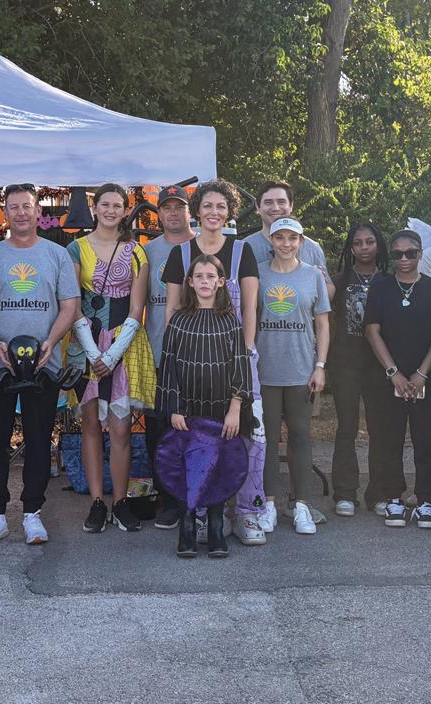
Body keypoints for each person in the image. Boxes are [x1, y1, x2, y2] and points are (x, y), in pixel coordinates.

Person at [0, 183, 80, 547]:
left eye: (26, 206)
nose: (20, 213)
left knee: (38, 439)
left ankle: (33, 512)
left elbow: (69, 306)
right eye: (13, 207)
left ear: (38, 212)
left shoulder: (57, 255)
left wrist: (52, 341)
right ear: (4, 213)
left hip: (43, 364)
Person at [159, 179, 265, 544]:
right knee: (198, 438)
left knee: (249, 435)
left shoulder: (241, 251)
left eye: (221, 206)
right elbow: (172, 309)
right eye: (207, 205)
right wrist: (174, 358)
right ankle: (203, 514)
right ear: (197, 211)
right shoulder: (180, 254)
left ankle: (248, 512)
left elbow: (250, 307)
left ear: (230, 212)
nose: (214, 212)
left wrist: (245, 356)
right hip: (192, 364)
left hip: (236, 360)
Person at [67, 183, 155, 533]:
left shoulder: (137, 252)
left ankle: (120, 502)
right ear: (95, 208)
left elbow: (137, 308)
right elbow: (72, 303)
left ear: (125, 210)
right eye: (105, 204)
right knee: (90, 426)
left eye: (117, 205)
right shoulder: (76, 249)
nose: (110, 210)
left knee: (121, 429)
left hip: (124, 344)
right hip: (85, 343)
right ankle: (96, 503)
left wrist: (113, 353)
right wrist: (93, 354)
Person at [157, 255, 254, 558]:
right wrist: (174, 407)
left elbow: (240, 365)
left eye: (210, 276)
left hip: (220, 409)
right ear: (190, 282)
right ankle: (187, 530)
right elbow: (169, 366)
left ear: (221, 282)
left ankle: (215, 529)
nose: (204, 281)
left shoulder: (230, 321)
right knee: (189, 465)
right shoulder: (179, 321)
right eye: (198, 276)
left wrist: (235, 408)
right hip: (187, 410)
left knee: (217, 465)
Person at [363, 230, 431, 529]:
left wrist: (422, 374)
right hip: (388, 378)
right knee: (388, 439)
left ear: (420, 254)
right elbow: (372, 330)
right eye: (397, 254)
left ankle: (426, 500)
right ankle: (393, 497)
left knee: (429, 440)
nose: (403, 259)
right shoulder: (381, 287)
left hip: (428, 378)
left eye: (410, 253)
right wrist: (393, 373)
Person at [256, 218, 331, 535]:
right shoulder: (258, 273)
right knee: (267, 440)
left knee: (300, 437)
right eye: (280, 238)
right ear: (271, 240)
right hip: (265, 371)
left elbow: (322, 324)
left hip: (301, 371)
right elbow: (248, 318)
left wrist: (320, 365)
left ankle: (301, 505)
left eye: (292, 238)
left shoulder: (312, 275)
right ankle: (268, 505)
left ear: (300, 242)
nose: (285, 244)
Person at [143, 185, 196, 528]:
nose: (173, 213)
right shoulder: (147, 252)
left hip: (198, 356)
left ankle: (197, 496)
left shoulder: (203, 247)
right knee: (159, 430)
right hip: (157, 353)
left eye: (180, 207)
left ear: (189, 211)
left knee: (195, 428)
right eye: (167, 208)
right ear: (159, 213)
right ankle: (168, 498)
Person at [327, 222, 387, 516]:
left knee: (380, 429)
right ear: (350, 248)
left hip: (380, 367)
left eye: (370, 242)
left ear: (379, 245)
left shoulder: (388, 281)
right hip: (345, 364)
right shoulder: (338, 281)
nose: (364, 248)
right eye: (358, 243)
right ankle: (345, 493)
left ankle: (379, 493)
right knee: (346, 428)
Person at [242, 180, 333, 296]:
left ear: (291, 205)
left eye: (281, 202)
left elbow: (328, 291)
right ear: (258, 207)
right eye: (268, 202)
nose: (275, 208)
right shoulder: (244, 247)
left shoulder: (312, 248)